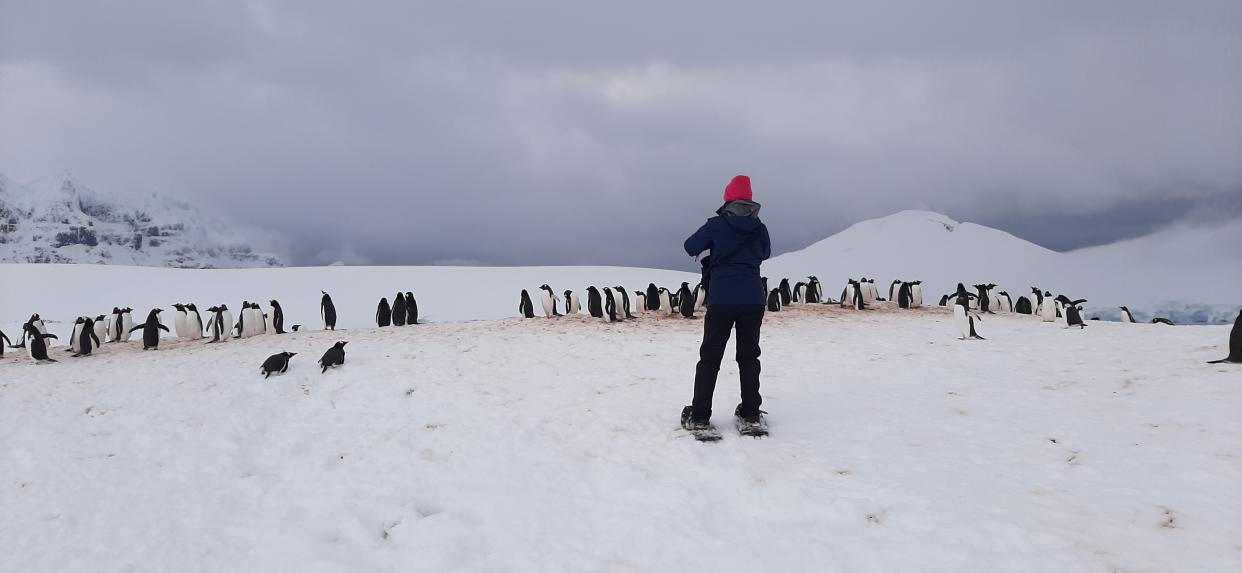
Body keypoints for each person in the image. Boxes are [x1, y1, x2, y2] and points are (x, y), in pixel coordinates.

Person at [681, 175, 771, 433]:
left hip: (722, 299)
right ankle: (751, 414)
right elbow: (764, 253)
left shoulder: (716, 226)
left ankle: (699, 416)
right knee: (749, 356)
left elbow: (690, 246)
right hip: (753, 299)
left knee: (710, 357)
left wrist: (715, 245)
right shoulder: (760, 228)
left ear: (728, 198)